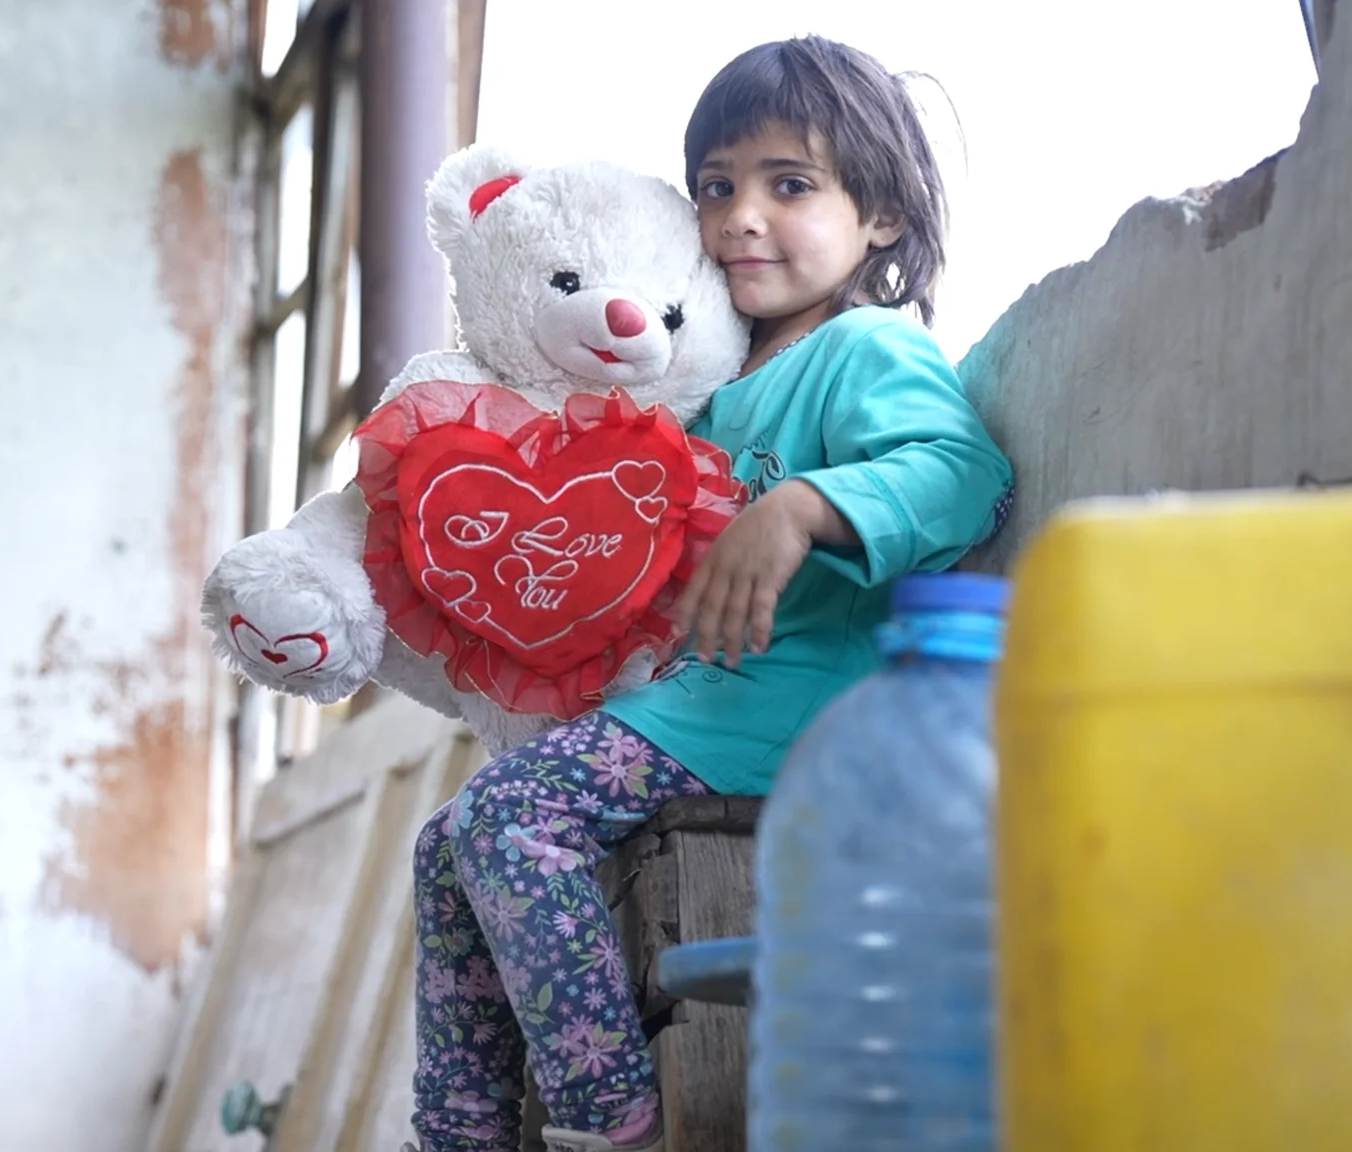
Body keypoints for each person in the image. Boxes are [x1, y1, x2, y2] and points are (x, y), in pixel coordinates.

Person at [406, 34, 1015, 1152]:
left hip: (794, 702)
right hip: (698, 706)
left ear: (880, 214)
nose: (741, 217)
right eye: (717, 187)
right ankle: (458, 1133)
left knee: (508, 817)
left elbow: (965, 474)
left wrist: (802, 506)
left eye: (790, 185)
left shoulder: (864, 348)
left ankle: (610, 1122)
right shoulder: (710, 389)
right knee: (445, 842)